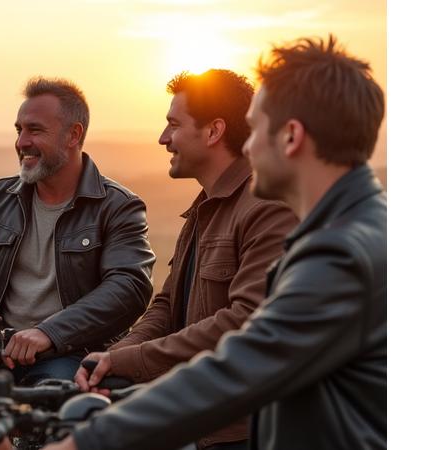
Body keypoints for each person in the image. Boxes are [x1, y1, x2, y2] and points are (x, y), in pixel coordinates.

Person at [45, 35, 386, 450]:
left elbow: (244, 359)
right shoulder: (354, 228)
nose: (248, 144)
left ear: (291, 137)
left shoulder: (340, 253)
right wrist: (117, 363)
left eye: (256, 129)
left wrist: (87, 441)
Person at [74, 69, 298, 450]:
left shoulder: (266, 208)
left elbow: (244, 322)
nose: (163, 139)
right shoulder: (203, 211)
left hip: (242, 432)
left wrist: (134, 361)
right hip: (194, 417)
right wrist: (111, 358)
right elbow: (166, 307)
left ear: (213, 132)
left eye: (173, 125)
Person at [0, 77, 156, 383]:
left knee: (58, 418)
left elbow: (128, 287)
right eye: (19, 130)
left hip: (73, 354)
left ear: (73, 135)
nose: (22, 142)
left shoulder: (117, 206)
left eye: (34, 130)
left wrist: (49, 333)